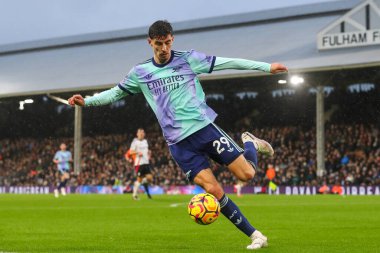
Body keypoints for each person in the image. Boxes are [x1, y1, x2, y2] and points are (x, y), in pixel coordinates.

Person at [68, 20, 288, 250]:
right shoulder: (140, 72)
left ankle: (250, 143)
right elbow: (116, 93)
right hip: (179, 145)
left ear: (172, 39)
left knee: (247, 175)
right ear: (150, 42)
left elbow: (226, 63)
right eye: (158, 44)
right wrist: (89, 101)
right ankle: (256, 235)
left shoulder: (188, 59)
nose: (164, 49)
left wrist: (266, 67)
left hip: (205, 130)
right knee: (214, 190)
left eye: (167, 43)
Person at [128, 128, 153, 200]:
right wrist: (137, 152)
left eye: (143, 133)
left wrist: (149, 153)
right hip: (139, 164)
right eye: (140, 133)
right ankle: (134, 195)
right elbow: (130, 152)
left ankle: (140, 182)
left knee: (150, 178)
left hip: (146, 163)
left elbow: (147, 150)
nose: (142, 134)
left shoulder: (145, 141)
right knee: (139, 180)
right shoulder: (135, 142)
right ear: (137, 134)